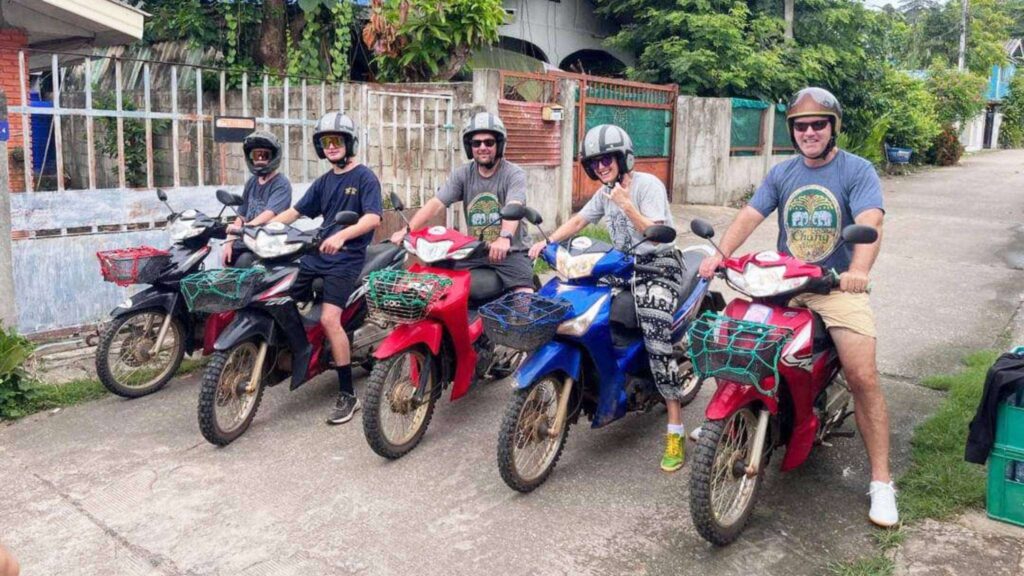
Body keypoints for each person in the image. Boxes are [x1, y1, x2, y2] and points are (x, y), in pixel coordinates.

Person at [696, 87, 896, 527]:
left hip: (835, 286)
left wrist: (857, 272)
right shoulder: (783, 172)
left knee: (862, 375)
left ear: (833, 127)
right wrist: (719, 255)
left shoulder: (856, 170)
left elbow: (871, 222)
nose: (809, 132)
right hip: (785, 282)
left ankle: (881, 481)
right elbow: (751, 214)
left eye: (818, 124)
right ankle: (731, 419)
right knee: (740, 342)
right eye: (801, 126)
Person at [527, 124, 688, 473]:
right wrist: (548, 242)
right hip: (623, 266)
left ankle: (675, 427)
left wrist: (627, 205)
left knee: (656, 338)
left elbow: (657, 236)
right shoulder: (605, 193)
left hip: (659, 267)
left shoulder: (647, 186)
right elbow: (579, 221)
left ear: (623, 158)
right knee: (575, 305)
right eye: (595, 162)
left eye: (607, 159)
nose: (601, 166)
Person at [272, 112, 382, 425]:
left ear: (349, 143)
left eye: (336, 140)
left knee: (329, 319)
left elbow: (373, 218)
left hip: (346, 258)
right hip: (318, 253)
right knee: (284, 298)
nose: (331, 146)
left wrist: (342, 236)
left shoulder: (365, 178)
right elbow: (294, 212)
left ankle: (348, 394)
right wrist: (259, 229)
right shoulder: (323, 182)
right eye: (325, 142)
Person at [389, 111, 533, 294]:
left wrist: (504, 238)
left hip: (511, 251)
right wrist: (407, 231)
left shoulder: (513, 174)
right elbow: (436, 203)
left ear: (499, 145)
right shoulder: (463, 174)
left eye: (489, 142)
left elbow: (515, 205)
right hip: (478, 250)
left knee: (524, 296)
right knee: (437, 282)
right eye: (476, 143)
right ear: (469, 147)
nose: (482, 147)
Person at [223, 130, 292, 267]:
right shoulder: (251, 182)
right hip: (247, 239)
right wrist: (229, 242)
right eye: (256, 155)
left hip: (267, 242)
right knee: (227, 259)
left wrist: (246, 228)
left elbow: (269, 213)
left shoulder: (281, 184)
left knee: (244, 261)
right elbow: (241, 215)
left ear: (273, 157)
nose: (260, 159)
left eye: (264, 155)